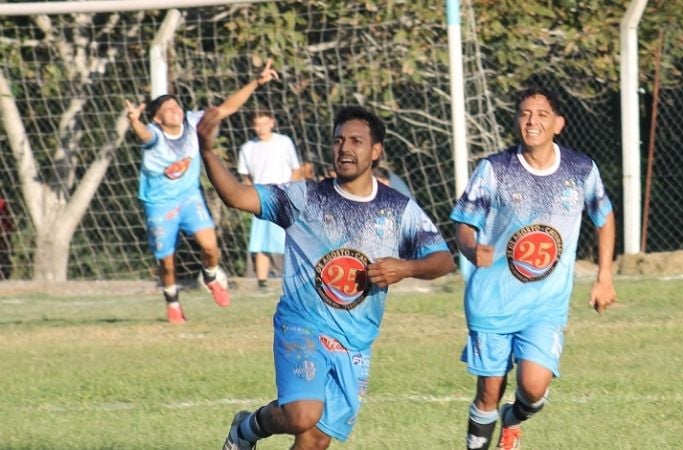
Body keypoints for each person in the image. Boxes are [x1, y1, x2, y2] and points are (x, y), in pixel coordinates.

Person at [196, 104, 455, 450]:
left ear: (375, 151)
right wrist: (207, 150)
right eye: (338, 140)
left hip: (356, 342)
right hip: (303, 325)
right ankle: (246, 429)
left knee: (315, 442)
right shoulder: (304, 197)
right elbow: (235, 196)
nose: (345, 148)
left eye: (356, 141)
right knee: (302, 414)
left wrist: (406, 268)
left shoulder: (398, 208)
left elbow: (443, 260)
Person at [450, 87, 617, 450]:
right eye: (525, 114)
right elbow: (464, 224)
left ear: (558, 124)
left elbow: (603, 218)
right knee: (488, 394)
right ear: (516, 121)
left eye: (541, 114)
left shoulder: (580, 169)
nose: (532, 121)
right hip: (492, 301)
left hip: (545, 304)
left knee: (534, 388)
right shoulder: (495, 169)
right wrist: (470, 246)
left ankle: (513, 421)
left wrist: (604, 277)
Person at [124, 60, 279, 324]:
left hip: (188, 197)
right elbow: (143, 135)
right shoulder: (153, 134)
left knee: (209, 245)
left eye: (176, 105)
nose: (175, 109)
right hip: (159, 203)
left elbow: (227, 107)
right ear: (157, 118)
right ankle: (172, 301)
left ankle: (210, 276)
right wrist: (133, 121)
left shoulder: (194, 123)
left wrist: (256, 81)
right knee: (167, 262)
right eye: (168, 108)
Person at [237, 111, 302, 288]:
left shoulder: (284, 142)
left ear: (272, 123)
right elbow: (246, 177)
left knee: (289, 238)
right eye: (257, 124)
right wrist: (252, 195)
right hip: (261, 198)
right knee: (261, 241)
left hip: (283, 196)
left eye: (265, 123)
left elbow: (295, 169)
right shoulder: (247, 148)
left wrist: (289, 191)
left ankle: (294, 278)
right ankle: (262, 281)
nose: (261, 128)